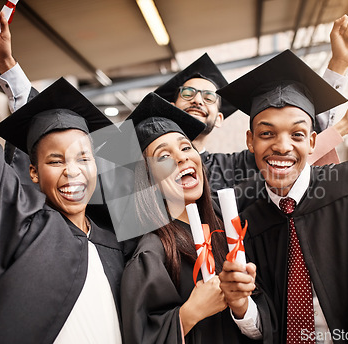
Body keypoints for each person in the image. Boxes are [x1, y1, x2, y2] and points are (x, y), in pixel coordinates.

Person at [0, 13, 348, 196]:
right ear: (168, 103)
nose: (199, 99)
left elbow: (290, 149)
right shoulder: (130, 160)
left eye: (209, 96)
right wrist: (9, 68)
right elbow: (56, 135)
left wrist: (337, 66)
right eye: (188, 93)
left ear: (220, 118)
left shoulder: (235, 167)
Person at [217, 49, 348, 343]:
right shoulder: (247, 226)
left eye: (296, 134)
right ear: (250, 141)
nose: (282, 146)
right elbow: (264, 326)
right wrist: (241, 305)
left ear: (312, 141)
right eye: (267, 134)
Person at [0, 55, 124, 344]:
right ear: (33, 172)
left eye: (84, 158)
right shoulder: (24, 228)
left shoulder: (119, 244)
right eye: (56, 161)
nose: (72, 171)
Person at [118, 92, 275, 343]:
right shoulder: (152, 254)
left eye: (185, 147)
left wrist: (241, 306)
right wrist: (189, 314)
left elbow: (265, 328)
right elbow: (141, 335)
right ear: (148, 179)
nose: (181, 157)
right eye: (164, 156)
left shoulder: (229, 230)